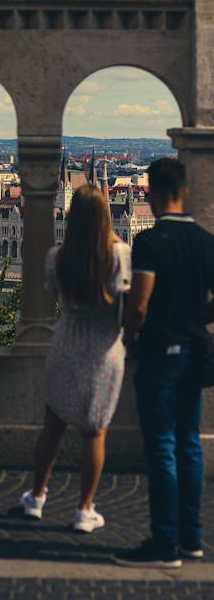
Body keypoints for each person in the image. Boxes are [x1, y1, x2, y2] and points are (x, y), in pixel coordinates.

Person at [114, 158, 214, 569]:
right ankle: (192, 539)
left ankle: (164, 543)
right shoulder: (208, 242)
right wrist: (198, 320)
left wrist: (131, 337)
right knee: (189, 443)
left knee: (162, 448)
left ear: (152, 194)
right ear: (185, 192)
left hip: (161, 354)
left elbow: (138, 306)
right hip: (197, 354)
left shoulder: (151, 243)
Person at [20, 185, 131, 532]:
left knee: (52, 428)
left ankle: (36, 497)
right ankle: (84, 510)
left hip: (65, 344)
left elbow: (54, 293)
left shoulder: (57, 257)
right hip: (104, 350)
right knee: (94, 432)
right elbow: (126, 303)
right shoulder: (119, 254)